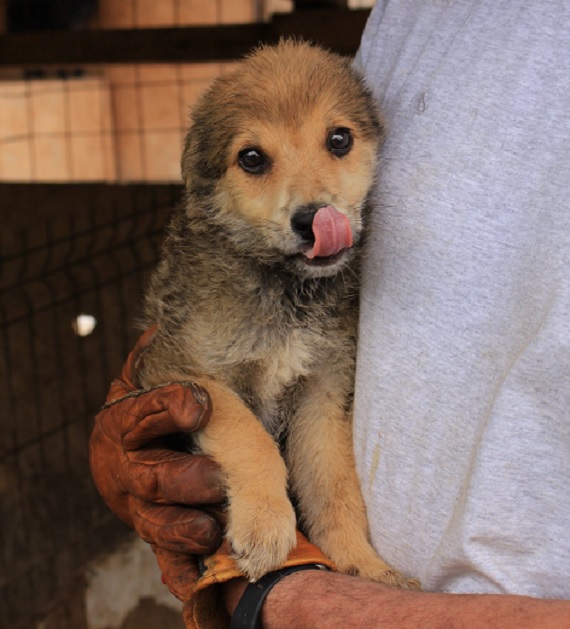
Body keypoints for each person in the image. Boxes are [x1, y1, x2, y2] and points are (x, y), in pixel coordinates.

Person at [90, 0, 570, 626]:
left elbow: (320, 406)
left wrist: (341, 569)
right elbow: (195, 384)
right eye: (254, 161)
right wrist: (262, 488)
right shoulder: (412, 14)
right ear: (201, 184)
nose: (314, 196)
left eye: (337, 141)